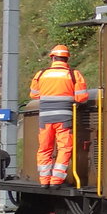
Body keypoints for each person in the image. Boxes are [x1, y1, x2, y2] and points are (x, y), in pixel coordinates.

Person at [29, 44, 89, 187]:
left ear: (53, 57)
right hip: (64, 118)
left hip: (45, 119)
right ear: (66, 58)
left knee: (45, 148)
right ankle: (56, 181)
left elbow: (34, 95)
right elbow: (81, 98)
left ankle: (44, 181)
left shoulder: (41, 74)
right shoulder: (74, 75)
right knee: (65, 148)